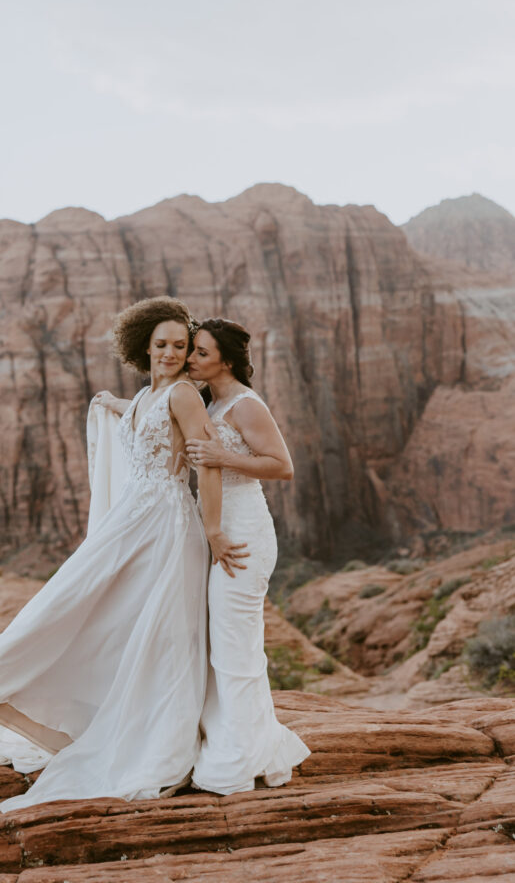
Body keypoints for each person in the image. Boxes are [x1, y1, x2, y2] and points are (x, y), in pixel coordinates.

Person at [0, 296, 246, 809]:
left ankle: (159, 744)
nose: (172, 353)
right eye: (162, 344)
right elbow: (143, 415)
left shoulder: (186, 396)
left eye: (180, 346)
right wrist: (114, 406)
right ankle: (53, 698)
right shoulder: (146, 395)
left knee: (164, 634)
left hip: (167, 527)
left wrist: (214, 530)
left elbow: (207, 461)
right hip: (132, 521)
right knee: (93, 613)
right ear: (143, 347)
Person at [186, 317, 311, 794]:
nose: (192, 359)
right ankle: (239, 741)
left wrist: (224, 459)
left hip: (244, 537)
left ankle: (240, 757)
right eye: (192, 350)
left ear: (227, 359)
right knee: (224, 643)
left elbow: (282, 467)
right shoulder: (209, 401)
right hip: (217, 534)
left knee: (235, 643)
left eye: (201, 352)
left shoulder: (244, 404)